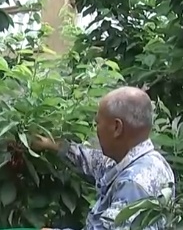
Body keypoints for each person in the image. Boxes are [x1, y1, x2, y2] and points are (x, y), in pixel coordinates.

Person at [32, 86, 175, 230]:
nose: (96, 129)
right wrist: (51, 144)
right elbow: (91, 160)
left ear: (117, 128)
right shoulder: (150, 161)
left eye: (98, 123)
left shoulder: (132, 184)